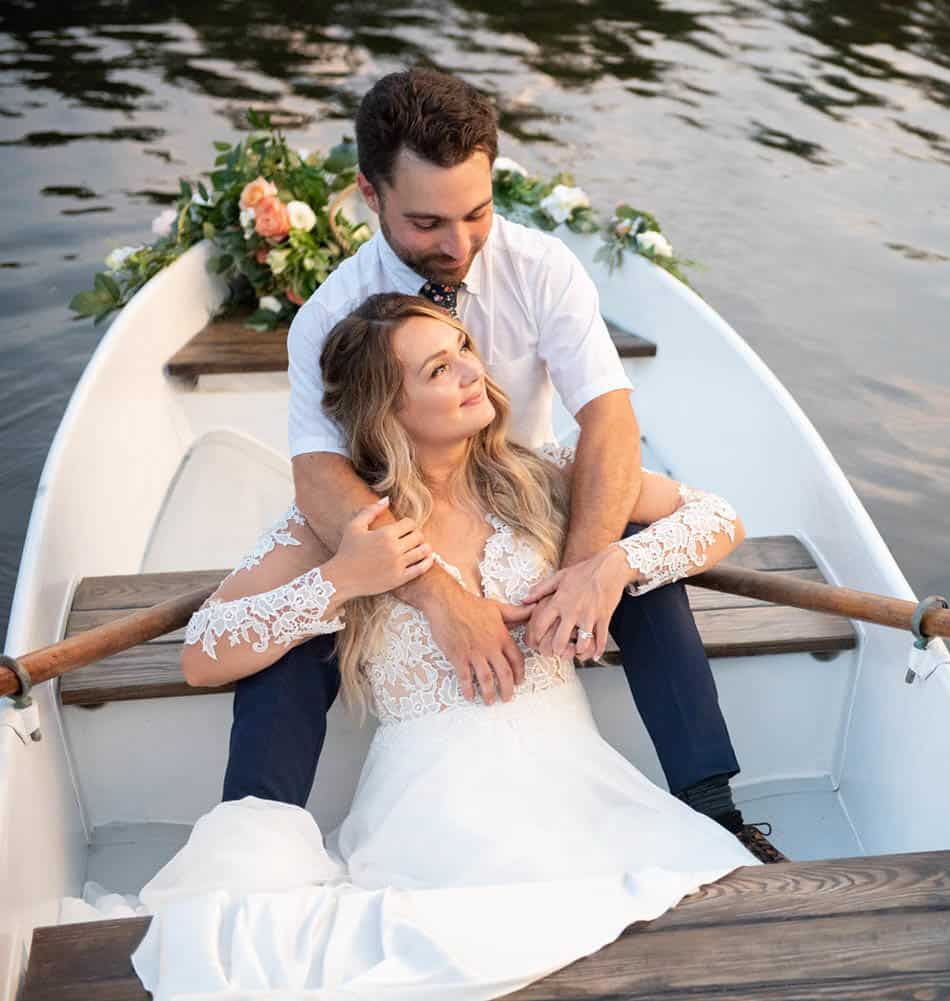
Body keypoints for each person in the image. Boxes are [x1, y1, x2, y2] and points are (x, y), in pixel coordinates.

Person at [130, 293, 757, 999]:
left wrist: (609, 566)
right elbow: (203, 650)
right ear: (387, 410)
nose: (470, 370)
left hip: (578, 783)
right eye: (438, 367)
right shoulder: (341, 526)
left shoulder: (540, 474)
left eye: (463, 349)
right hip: (432, 803)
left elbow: (718, 515)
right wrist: (341, 579)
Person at [229, 65, 782, 861]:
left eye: (476, 213)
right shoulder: (327, 317)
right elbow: (319, 476)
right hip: (398, 511)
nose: (457, 246)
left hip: (526, 500)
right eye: (427, 223)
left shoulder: (540, 267)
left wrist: (593, 564)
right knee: (302, 617)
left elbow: (610, 419)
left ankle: (714, 810)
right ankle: (252, 854)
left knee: (633, 549)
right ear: (369, 193)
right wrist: (428, 589)